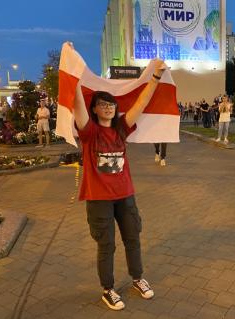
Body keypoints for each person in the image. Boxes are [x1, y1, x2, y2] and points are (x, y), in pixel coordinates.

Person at [72, 41, 165, 310]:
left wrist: (156, 76)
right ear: (95, 109)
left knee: (133, 238)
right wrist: (72, 75)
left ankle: (138, 278)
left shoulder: (122, 129)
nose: (109, 107)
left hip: (125, 195)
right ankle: (108, 289)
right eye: (102, 104)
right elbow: (77, 103)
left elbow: (142, 102)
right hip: (99, 198)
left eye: (111, 104)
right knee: (107, 245)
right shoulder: (89, 133)